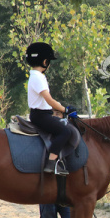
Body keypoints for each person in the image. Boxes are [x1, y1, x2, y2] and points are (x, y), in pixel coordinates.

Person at [25, 42, 77, 176]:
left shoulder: (36, 76)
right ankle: (51, 163)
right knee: (65, 132)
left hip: (42, 113)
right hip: (41, 116)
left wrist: (57, 110)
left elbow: (46, 102)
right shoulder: (38, 77)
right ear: (44, 61)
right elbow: (49, 100)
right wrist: (65, 110)